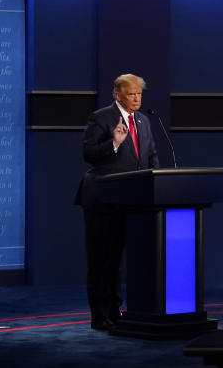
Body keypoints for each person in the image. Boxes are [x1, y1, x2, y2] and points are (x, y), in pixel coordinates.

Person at [75, 74, 159, 330]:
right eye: (132, 94)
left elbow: (151, 156)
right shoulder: (100, 118)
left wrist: (159, 181)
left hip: (132, 200)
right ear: (117, 95)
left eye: (139, 94)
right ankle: (99, 316)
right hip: (102, 199)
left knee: (119, 261)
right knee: (102, 260)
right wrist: (114, 143)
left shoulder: (144, 121)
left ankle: (115, 310)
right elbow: (88, 154)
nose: (137, 98)